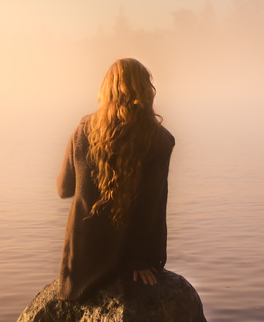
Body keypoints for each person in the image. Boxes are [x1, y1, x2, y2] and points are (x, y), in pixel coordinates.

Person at [56, 58, 175, 301]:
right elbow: (150, 206)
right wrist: (138, 259)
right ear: (146, 91)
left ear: (105, 90)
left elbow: (64, 189)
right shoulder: (161, 140)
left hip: (82, 265)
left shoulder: (83, 130)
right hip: (132, 262)